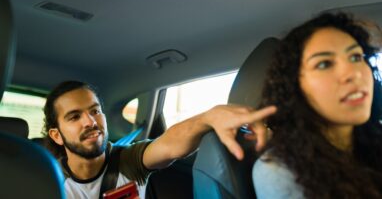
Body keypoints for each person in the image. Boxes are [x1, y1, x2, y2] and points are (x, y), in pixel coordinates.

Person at [42, 80, 276, 199]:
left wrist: (210, 117)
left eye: (95, 111)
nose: (90, 122)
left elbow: (169, 144)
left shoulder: (127, 161)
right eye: (74, 117)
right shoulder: (45, 180)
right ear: (56, 135)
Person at [252, 12, 382, 199]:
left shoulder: (374, 139)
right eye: (324, 64)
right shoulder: (279, 170)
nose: (353, 73)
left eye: (356, 57)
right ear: (294, 87)